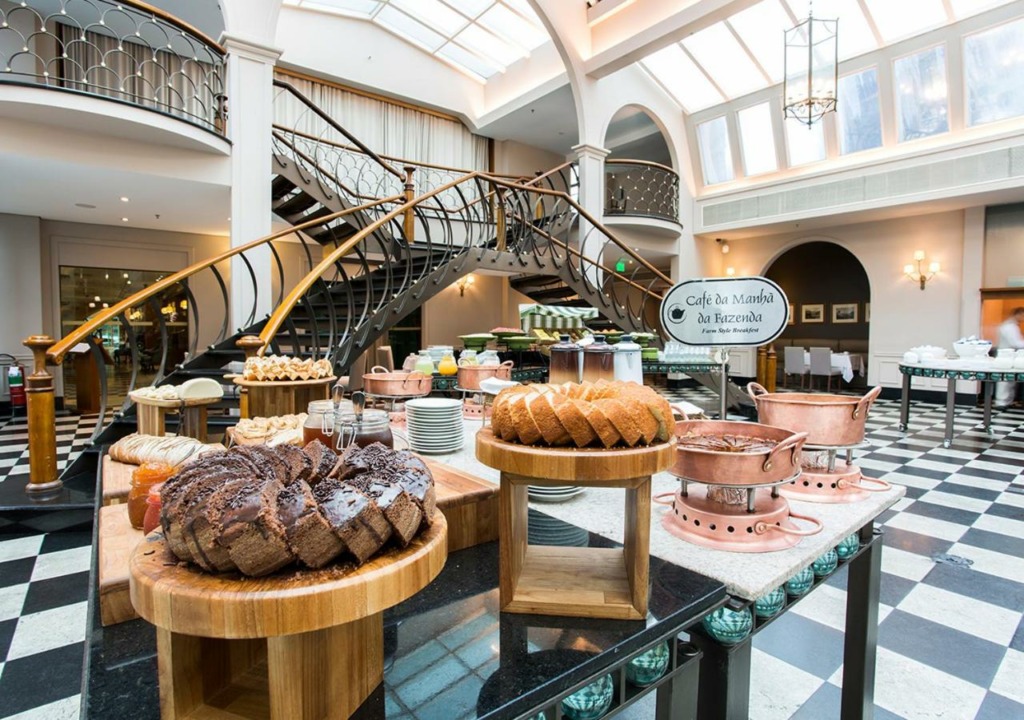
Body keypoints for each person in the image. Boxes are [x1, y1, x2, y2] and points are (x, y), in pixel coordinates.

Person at [995, 307, 1024, 408]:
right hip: (1006, 356)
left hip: (1010, 356)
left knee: (1009, 381)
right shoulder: (1009, 327)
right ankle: (1002, 402)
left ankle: (1006, 401)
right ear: (1018, 314)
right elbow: (1015, 342)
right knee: (1005, 381)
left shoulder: (1011, 326)